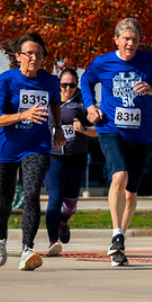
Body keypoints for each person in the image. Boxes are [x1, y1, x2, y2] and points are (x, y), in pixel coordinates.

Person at [80, 17, 152, 267]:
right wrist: (90, 107)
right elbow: (86, 81)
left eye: (135, 39)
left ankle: (119, 242)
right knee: (119, 176)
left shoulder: (150, 62)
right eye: (126, 39)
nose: (130, 43)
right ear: (116, 40)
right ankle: (116, 233)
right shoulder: (103, 62)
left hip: (141, 135)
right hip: (111, 129)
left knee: (131, 193)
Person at [0, 33, 65, 271]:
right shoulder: (4, 81)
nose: (34, 57)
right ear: (18, 57)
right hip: (6, 147)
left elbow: (55, 103)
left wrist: (59, 129)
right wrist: (23, 115)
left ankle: (27, 249)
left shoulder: (51, 81)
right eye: (29, 53)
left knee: (31, 194)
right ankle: (0, 236)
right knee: (6, 197)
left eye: (39, 54)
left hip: (37, 145)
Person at [44, 68, 97, 256]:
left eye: (72, 85)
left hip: (77, 157)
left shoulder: (83, 103)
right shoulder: (49, 99)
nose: (67, 89)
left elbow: (97, 131)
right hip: (53, 157)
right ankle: (53, 240)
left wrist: (82, 129)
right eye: (64, 85)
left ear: (77, 86)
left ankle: (63, 222)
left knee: (70, 205)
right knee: (55, 198)